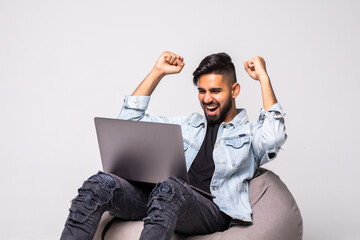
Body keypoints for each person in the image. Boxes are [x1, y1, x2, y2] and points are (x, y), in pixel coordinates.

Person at [60, 51, 287, 240]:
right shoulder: (189, 124)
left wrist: (264, 79)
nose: (207, 98)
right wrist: (157, 72)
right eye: (202, 91)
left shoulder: (248, 133)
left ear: (234, 91)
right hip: (162, 199)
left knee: (171, 186)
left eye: (215, 91)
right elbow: (128, 122)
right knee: (99, 183)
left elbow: (274, 137)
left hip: (210, 210)